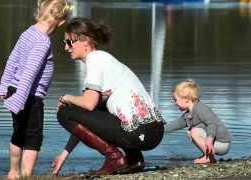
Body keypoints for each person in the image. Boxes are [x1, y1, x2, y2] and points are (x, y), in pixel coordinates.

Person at [50, 17, 165, 176]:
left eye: (69, 42)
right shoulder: (105, 60)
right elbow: (85, 119)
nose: (66, 47)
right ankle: (134, 159)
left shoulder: (95, 59)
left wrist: (66, 97)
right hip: (153, 133)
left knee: (64, 111)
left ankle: (115, 159)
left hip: (140, 133)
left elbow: (88, 104)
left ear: (85, 41)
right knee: (90, 107)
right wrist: (64, 154)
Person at [0, 0, 73, 179]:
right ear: (61, 22)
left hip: (16, 90)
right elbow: (30, 73)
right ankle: (26, 174)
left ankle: (13, 172)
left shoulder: (28, 33)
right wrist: (20, 99)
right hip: (28, 96)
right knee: (33, 138)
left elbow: (12, 61)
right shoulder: (42, 42)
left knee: (18, 134)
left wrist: (4, 86)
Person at [165, 79, 231, 164]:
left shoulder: (201, 108)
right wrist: (157, 130)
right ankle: (207, 155)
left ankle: (209, 157)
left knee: (194, 131)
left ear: (187, 99)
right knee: (190, 132)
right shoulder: (188, 115)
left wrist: (209, 139)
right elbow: (173, 126)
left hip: (222, 143)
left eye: (175, 100)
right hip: (214, 143)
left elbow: (212, 124)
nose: (175, 103)